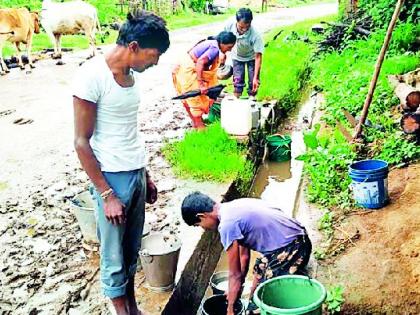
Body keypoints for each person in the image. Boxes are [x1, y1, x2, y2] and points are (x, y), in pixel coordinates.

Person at [73, 11, 170, 315]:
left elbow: (131, 132)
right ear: (134, 46)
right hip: (111, 179)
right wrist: (106, 194)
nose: (155, 63)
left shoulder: (131, 77)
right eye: (153, 55)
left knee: (130, 251)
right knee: (113, 256)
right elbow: (81, 142)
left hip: (135, 173)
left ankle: (132, 308)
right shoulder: (92, 77)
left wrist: (146, 175)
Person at [181, 192, 312, 315]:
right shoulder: (232, 207)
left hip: (294, 248)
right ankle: (251, 300)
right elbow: (244, 257)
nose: (203, 228)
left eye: (199, 225)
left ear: (201, 216)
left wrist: (230, 308)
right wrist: (236, 290)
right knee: (259, 268)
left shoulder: (227, 226)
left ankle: (258, 304)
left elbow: (234, 274)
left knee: (262, 303)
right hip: (296, 238)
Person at [172, 31, 236, 129]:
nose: (229, 50)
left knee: (191, 98)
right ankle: (200, 126)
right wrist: (201, 84)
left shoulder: (212, 43)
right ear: (222, 43)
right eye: (229, 47)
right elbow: (200, 62)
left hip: (183, 67)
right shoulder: (215, 48)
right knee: (195, 98)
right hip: (188, 70)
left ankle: (196, 124)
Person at [223, 8, 264, 98]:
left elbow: (258, 57)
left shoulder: (255, 35)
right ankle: (236, 101)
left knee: (252, 83)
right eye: (241, 27)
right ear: (236, 22)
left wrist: (255, 78)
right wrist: (222, 55)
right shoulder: (229, 26)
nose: (244, 30)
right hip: (237, 57)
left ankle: (252, 101)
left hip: (252, 58)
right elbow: (222, 40)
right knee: (238, 83)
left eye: (247, 27)